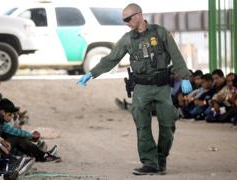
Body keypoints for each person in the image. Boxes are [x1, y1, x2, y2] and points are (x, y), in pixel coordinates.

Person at [77, 3, 192, 175]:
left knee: (168, 123)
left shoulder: (160, 32)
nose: (126, 23)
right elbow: (111, 59)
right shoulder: (128, 39)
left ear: (138, 15)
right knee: (142, 125)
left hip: (162, 86)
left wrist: (185, 77)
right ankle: (150, 163)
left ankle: (161, 159)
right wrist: (92, 74)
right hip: (141, 88)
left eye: (128, 19)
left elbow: (176, 55)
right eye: (124, 20)